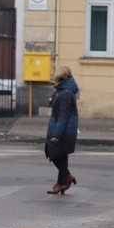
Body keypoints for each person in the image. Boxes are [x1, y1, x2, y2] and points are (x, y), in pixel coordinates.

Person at [44, 65, 79, 195]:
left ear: (60, 76)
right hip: (61, 127)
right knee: (57, 154)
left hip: (63, 129)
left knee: (56, 154)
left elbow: (63, 116)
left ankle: (62, 182)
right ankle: (66, 178)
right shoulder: (62, 90)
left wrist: (57, 134)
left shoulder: (65, 93)